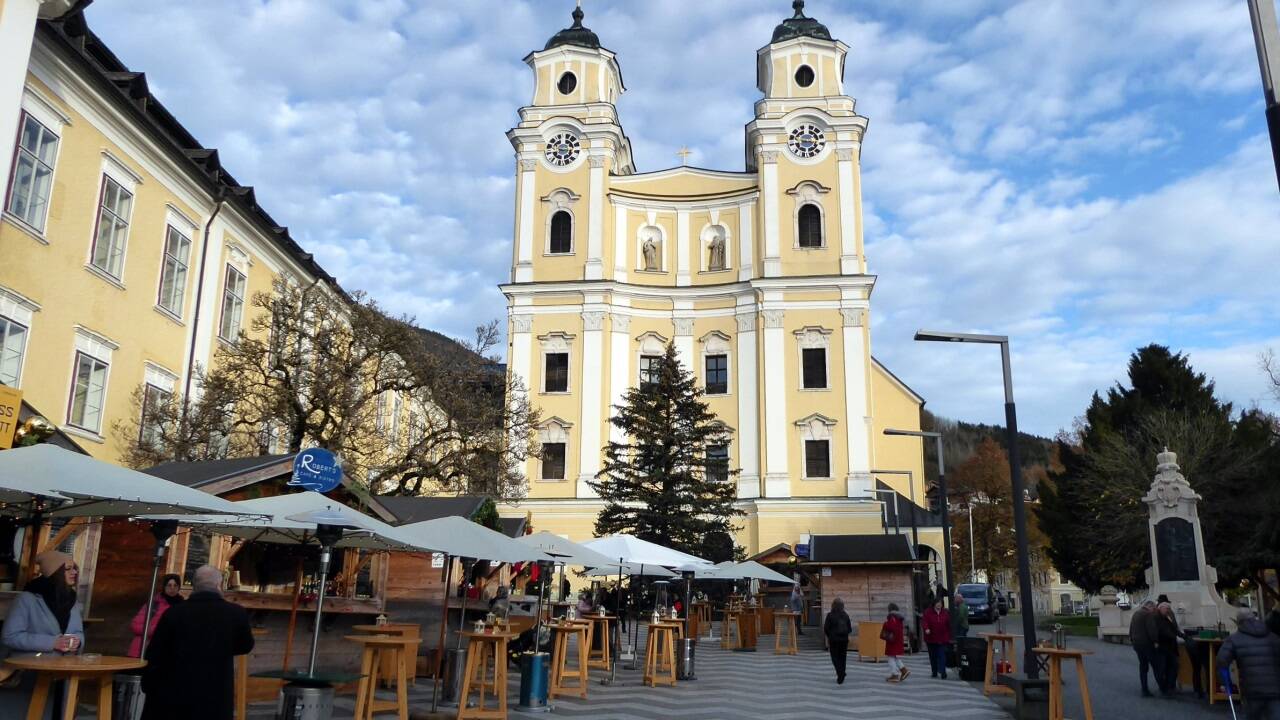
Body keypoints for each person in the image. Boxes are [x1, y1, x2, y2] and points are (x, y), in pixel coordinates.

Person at [141, 565, 254, 720]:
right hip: (215, 693)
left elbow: (155, 652)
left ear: (194, 586)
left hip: (174, 693)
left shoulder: (174, 613)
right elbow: (245, 645)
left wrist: (148, 684)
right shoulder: (236, 613)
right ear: (218, 585)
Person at [0, 551, 85, 720]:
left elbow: (78, 632)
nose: (74, 572)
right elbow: (9, 636)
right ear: (55, 573)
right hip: (30, 674)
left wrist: (77, 641)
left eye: (74, 568)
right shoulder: (28, 599)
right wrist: (52, 642)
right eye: (68, 569)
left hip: (63, 673)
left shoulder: (71, 600)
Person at [1217, 608, 1280, 719]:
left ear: (1238, 622)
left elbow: (1222, 660)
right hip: (1275, 688)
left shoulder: (1234, 639)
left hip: (1252, 689)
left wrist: (1226, 683)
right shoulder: (1272, 636)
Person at [128, 573, 183, 658]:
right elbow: (135, 625)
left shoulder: (182, 606)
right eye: (169, 585)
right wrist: (158, 629)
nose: (172, 588)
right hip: (144, 649)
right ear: (164, 587)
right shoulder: (153, 604)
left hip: (169, 652)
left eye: (175, 585)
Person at [1151, 602, 1181, 696]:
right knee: (1162, 668)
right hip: (1162, 646)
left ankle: (1170, 686)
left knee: (1174, 666)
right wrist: (1173, 635)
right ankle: (1164, 687)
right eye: (1166, 608)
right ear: (1160, 608)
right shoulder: (1156, 618)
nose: (1168, 610)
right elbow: (1161, 631)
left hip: (1170, 646)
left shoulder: (1167, 617)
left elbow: (1173, 628)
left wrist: (1182, 635)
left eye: (1169, 609)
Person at [1129, 600, 1158, 697]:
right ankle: (1163, 687)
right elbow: (1152, 631)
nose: (1154, 611)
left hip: (1137, 643)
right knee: (1156, 665)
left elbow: (1131, 628)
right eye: (1154, 608)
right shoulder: (1148, 614)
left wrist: (1132, 640)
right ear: (1150, 607)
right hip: (1147, 644)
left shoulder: (1136, 613)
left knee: (1143, 666)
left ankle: (1144, 688)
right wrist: (1156, 641)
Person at [824, 598, 852, 684]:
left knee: (834, 658)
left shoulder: (830, 615)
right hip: (844, 640)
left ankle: (840, 673)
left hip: (834, 640)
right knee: (843, 658)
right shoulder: (846, 615)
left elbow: (826, 628)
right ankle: (842, 673)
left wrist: (829, 636)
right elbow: (849, 629)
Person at [922, 597, 952, 679]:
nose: (939, 605)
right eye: (938, 603)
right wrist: (926, 628)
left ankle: (943, 672)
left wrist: (949, 636)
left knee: (942, 655)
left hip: (942, 638)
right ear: (934, 604)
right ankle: (934, 671)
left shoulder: (945, 612)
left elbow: (948, 624)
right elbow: (924, 622)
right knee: (933, 656)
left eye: (941, 603)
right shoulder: (928, 612)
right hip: (931, 638)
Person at [882, 602, 909, 683]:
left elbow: (891, 627)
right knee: (895, 657)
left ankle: (894, 675)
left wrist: (885, 624)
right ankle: (904, 671)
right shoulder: (899, 617)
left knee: (890, 658)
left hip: (892, 640)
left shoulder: (892, 616)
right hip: (898, 640)